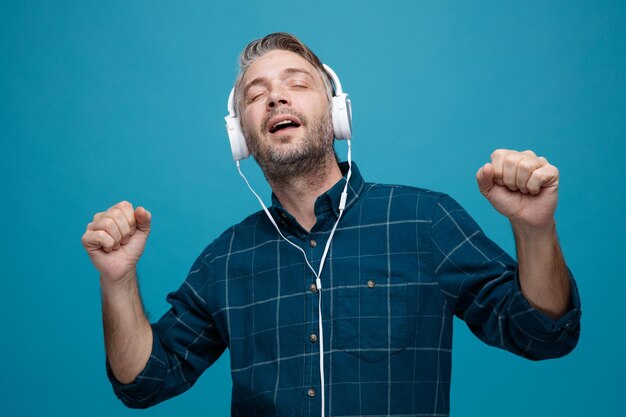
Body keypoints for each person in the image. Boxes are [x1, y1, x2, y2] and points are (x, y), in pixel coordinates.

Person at [81, 32, 581, 417]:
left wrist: (535, 229)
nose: (277, 98)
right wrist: (117, 279)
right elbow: (144, 383)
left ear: (338, 114)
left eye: (297, 84)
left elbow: (543, 334)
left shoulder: (424, 220)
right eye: (256, 95)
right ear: (241, 138)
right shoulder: (223, 261)